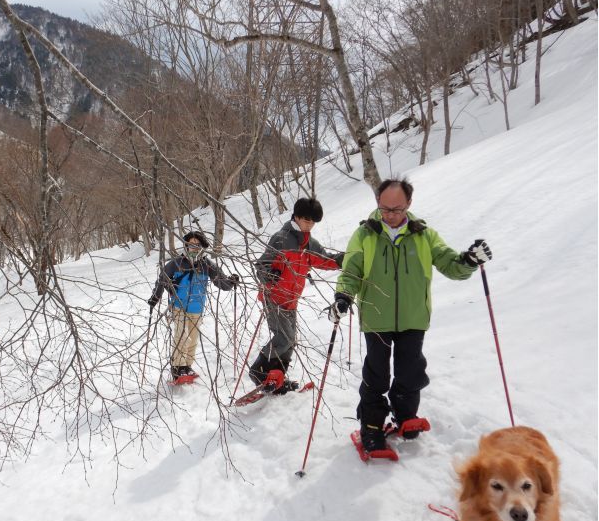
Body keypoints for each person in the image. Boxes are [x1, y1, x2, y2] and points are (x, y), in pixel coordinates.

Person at [333, 178, 492, 451]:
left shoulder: (424, 235)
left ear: (408, 204)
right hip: (376, 318)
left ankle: (406, 415)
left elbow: (450, 264)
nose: (390, 216)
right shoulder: (365, 234)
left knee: (410, 372)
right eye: (384, 209)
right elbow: (352, 270)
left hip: (414, 318)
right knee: (377, 375)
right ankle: (371, 425)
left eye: (396, 209)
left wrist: (468, 261)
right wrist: (343, 296)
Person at [250, 198, 343, 394]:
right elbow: (261, 264)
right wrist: (270, 275)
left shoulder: (308, 242)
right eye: (306, 220)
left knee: (290, 341)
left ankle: (277, 377)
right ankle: (258, 371)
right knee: (285, 338)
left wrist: (342, 260)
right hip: (274, 296)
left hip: (291, 300)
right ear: (296, 217)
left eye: (313, 222)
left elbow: (324, 260)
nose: (309, 225)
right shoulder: (281, 238)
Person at [148, 231, 239, 380]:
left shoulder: (207, 265)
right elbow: (162, 279)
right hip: (179, 306)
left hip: (197, 308)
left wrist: (231, 282)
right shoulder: (177, 263)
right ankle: (177, 368)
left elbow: (220, 282)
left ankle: (187, 366)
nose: (194, 247)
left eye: (197, 245)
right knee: (182, 336)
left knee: (193, 338)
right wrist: (155, 297)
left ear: (202, 247)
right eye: (191, 244)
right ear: (186, 245)